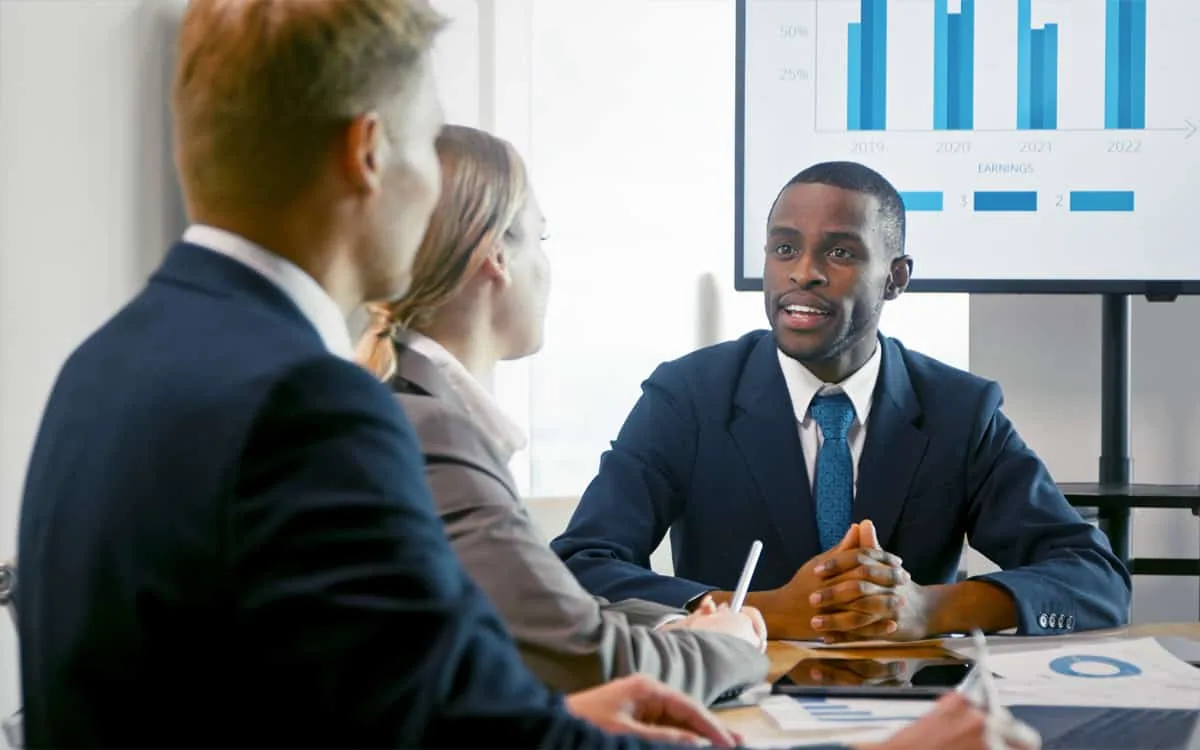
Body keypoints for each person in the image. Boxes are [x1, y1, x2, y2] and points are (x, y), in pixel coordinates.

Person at [12, 1, 738, 747]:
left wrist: (551, 718)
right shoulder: (310, 405)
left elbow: (357, 701)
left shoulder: (103, 363)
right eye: (425, 144)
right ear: (368, 153)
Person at [551, 161, 1132, 642]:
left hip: (910, 710)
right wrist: (763, 611)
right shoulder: (689, 396)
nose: (802, 273)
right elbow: (579, 567)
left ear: (896, 277)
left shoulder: (960, 410)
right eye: (783, 248)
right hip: (731, 703)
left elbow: (1094, 578)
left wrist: (928, 610)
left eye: (840, 253)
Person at [354, 124, 770, 705]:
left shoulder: (412, 409)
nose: (548, 269)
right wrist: (731, 648)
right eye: (540, 239)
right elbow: (587, 660)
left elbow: (545, 609)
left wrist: (679, 623)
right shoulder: (434, 433)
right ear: (496, 254)